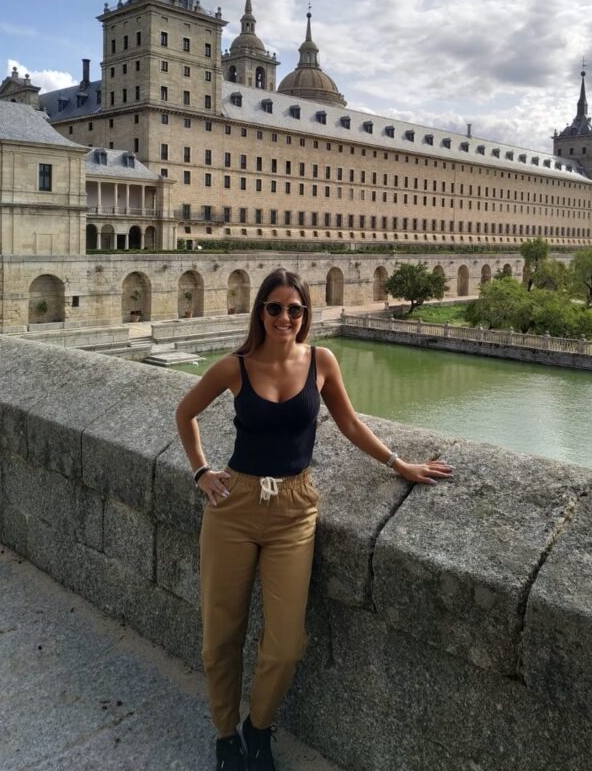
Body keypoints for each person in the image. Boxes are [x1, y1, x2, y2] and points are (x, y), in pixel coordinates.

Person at [176, 268, 453, 771]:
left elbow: (348, 422)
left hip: (293, 512)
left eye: (295, 309)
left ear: (306, 314)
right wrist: (201, 472)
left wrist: (398, 464)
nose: (285, 317)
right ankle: (224, 736)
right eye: (275, 307)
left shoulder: (321, 361)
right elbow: (185, 413)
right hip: (233, 508)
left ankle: (258, 729)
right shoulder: (234, 367)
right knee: (221, 635)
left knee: (285, 645)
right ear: (260, 311)